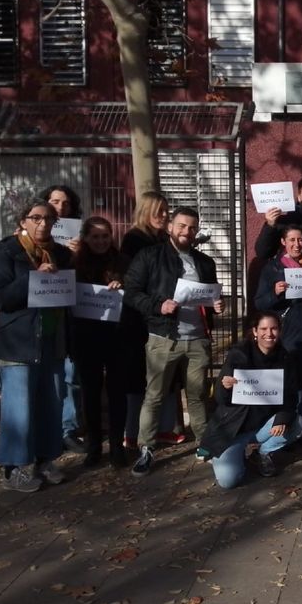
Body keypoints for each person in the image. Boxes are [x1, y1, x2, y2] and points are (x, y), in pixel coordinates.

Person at [124, 206, 225, 476]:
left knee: (198, 396)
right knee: (154, 396)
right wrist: (158, 306)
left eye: (192, 227)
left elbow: (210, 294)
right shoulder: (150, 256)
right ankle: (146, 449)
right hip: (163, 338)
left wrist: (217, 305)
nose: (186, 232)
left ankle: (205, 444)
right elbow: (131, 292)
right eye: (181, 226)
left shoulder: (204, 262)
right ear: (170, 227)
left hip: (197, 340)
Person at [0, 199, 73, 492]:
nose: (43, 224)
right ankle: (14, 468)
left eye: (50, 219)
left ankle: (45, 460)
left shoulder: (61, 253)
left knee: (52, 402)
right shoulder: (8, 251)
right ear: (24, 220)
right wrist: (31, 278)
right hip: (19, 342)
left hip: (52, 339)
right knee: (19, 408)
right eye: (36, 218)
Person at [201, 313, 302, 489]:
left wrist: (282, 418)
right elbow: (220, 400)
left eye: (274, 328)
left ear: (280, 331)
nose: (269, 333)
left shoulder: (286, 358)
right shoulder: (238, 355)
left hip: (264, 426)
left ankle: (263, 452)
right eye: (263, 329)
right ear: (255, 331)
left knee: (298, 423)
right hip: (234, 429)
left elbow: (291, 396)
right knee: (228, 481)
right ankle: (237, 455)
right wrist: (225, 387)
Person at [120, 191, 182, 449]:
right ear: (146, 212)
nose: (164, 215)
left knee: (164, 373)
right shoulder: (135, 241)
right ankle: (134, 432)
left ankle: (165, 428)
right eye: (159, 211)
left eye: (167, 211)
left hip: (161, 316)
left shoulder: (160, 239)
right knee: (140, 377)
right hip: (140, 318)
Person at [254, 224, 302, 423]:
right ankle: (281, 426)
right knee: (289, 382)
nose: (297, 244)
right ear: (283, 242)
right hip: (288, 335)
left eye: (300, 240)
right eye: (292, 240)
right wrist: (275, 293)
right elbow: (260, 303)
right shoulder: (272, 268)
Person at [71, 217, 129, 468]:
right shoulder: (74, 265)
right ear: (85, 238)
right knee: (90, 393)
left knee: (117, 393)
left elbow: (136, 292)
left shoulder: (123, 262)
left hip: (117, 336)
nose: (101, 241)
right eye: (95, 236)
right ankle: (93, 446)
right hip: (86, 337)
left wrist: (122, 287)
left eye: (105, 236)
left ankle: (117, 446)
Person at [37, 183, 86, 454]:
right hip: (39, 316)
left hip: (68, 314)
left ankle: (68, 429)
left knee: (70, 375)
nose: (60, 207)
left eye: (65, 203)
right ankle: (46, 430)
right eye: (55, 201)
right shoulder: (26, 238)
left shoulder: (77, 235)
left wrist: (77, 254)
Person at [254, 176, 302, 262]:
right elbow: (263, 252)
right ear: (299, 196)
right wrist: (270, 225)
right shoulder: (286, 220)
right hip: (289, 272)